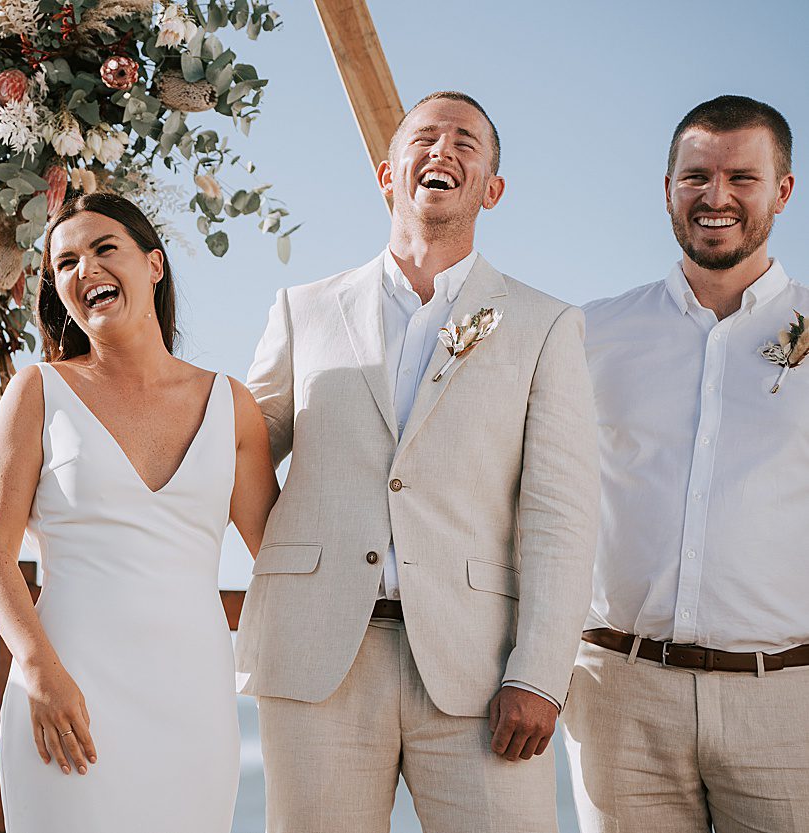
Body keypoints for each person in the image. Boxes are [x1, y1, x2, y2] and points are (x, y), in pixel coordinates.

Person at [240, 91, 600, 832]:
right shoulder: (301, 310)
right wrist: (285, 556)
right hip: (317, 657)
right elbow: (238, 448)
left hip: (483, 669)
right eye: (424, 138)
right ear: (386, 174)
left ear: (491, 189)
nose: (443, 150)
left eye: (466, 141)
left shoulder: (546, 325)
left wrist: (539, 671)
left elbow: (562, 514)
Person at [0, 193, 271, 831]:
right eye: (67, 262)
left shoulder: (229, 403)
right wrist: (39, 669)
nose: (86, 270)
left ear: (154, 266)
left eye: (105, 249)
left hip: (195, 698)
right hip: (67, 692)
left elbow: (282, 548)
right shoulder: (39, 391)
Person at [568, 94, 807, 832]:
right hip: (618, 696)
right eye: (696, 176)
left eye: (742, 177)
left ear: (783, 191)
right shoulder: (588, 334)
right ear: (667, 188)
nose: (717, 196)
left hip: (788, 702)